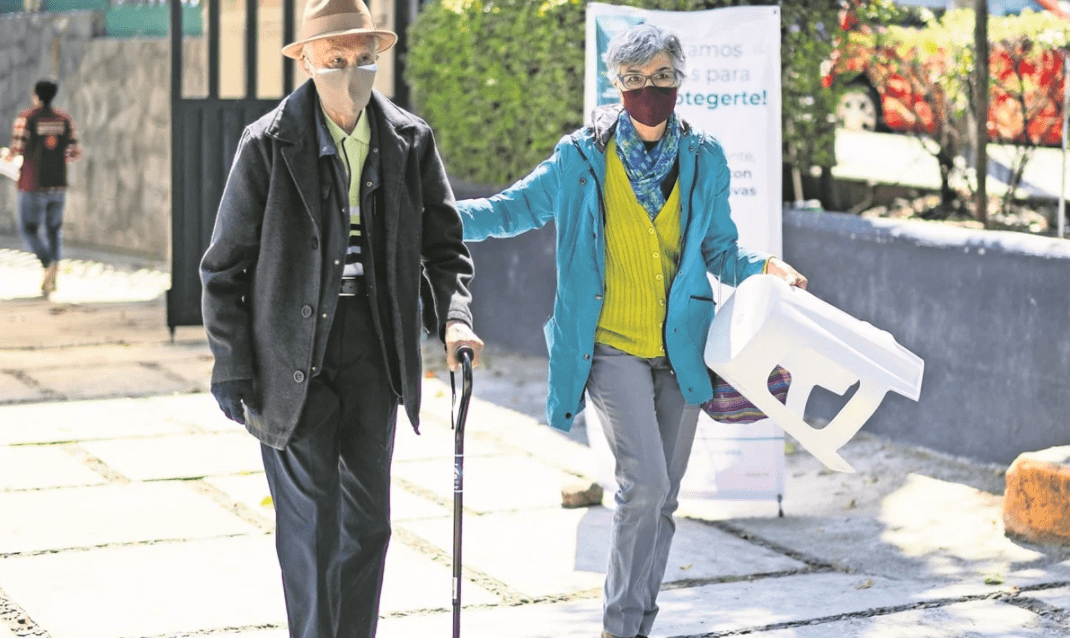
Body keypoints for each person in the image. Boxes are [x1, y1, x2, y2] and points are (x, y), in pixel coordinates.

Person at [457, 24, 807, 638]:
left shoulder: (705, 157)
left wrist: (762, 266)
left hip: (683, 352)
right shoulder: (581, 159)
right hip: (611, 346)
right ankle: (619, 628)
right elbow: (511, 209)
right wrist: (433, 219)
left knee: (665, 497)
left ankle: (641, 622)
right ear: (617, 85)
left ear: (679, 79)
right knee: (642, 484)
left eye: (662, 77)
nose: (650, 90)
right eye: (635, 80)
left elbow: (721, 248)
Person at [199, 1, 484, 636]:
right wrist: (232, 364)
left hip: (374, 349)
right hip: (288, 352)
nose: (351, 73)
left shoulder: (409, 139)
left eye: (363, 60)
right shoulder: (268, 144)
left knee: (368, 526)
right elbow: (223, 268)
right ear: (305, 61)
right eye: (335, 61)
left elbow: (444, 247)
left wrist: (455, 319)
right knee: (312, 527)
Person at [3, 79, 81, 296]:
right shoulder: (65, 119)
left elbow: (16, 150)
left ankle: (47, 263)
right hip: (57, 184)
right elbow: (73, 152)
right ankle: (54, 267)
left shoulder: (26, 118)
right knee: (54, 230)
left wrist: (5, 157)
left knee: (28, 229)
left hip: (32, 184)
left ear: (36, 95)